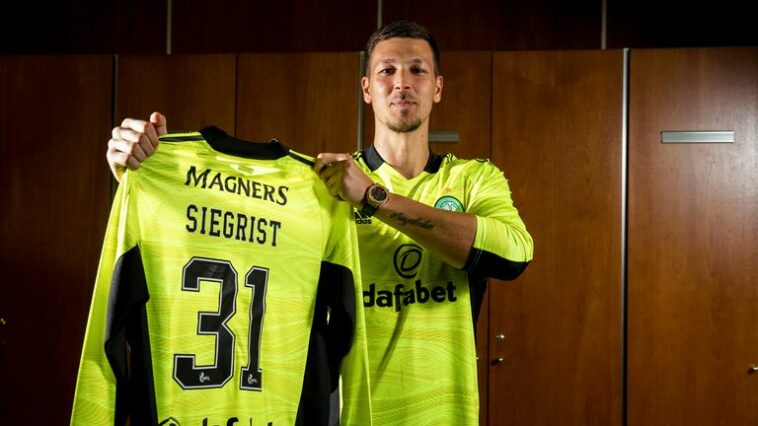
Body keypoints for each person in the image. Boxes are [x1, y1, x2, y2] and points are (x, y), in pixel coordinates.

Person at [106, 20, 533, 425]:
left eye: (417, 70)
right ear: (367, 89)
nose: (402, 81)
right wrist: (150, 174)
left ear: (437, 87)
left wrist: (373, 198)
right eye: (387, 70)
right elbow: (227, 234)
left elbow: (512, 253)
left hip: (443, 413)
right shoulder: (323, 187)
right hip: (348, 413)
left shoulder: (474, 178)